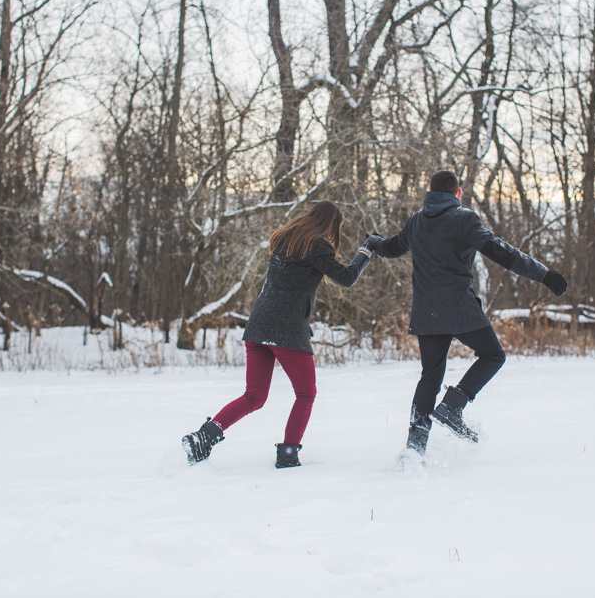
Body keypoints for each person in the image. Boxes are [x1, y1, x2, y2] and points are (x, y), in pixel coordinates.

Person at [374, 170, 568, 457]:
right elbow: (502, 252)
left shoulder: (416, 221)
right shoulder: (464, 219)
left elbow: (391, 247)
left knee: (430, 377)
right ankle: (454, 404)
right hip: (458, 308)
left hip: (427, 312)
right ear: (458, 193)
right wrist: (545, 275)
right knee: (493, 355)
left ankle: (415, 448)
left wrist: (373, 243)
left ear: (429, 192)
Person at [181, 201, 383, 469]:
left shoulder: (284, 240)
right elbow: (346, 278)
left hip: (259, 326)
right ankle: (288, 453)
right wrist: (365, 250)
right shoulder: (317, 245)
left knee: (253, 396)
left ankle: (204, 437)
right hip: (286, 330)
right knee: (305, 394)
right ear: (331, 224)